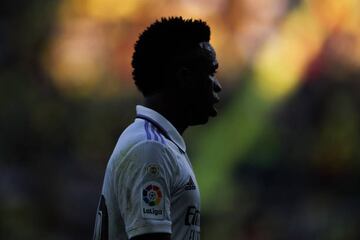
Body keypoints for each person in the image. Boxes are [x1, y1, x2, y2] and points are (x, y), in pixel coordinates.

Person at [93, 16, 222, 240]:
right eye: (210, 73)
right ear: (185, 78)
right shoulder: (149, 147)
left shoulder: (162, 144)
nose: (217, 85)